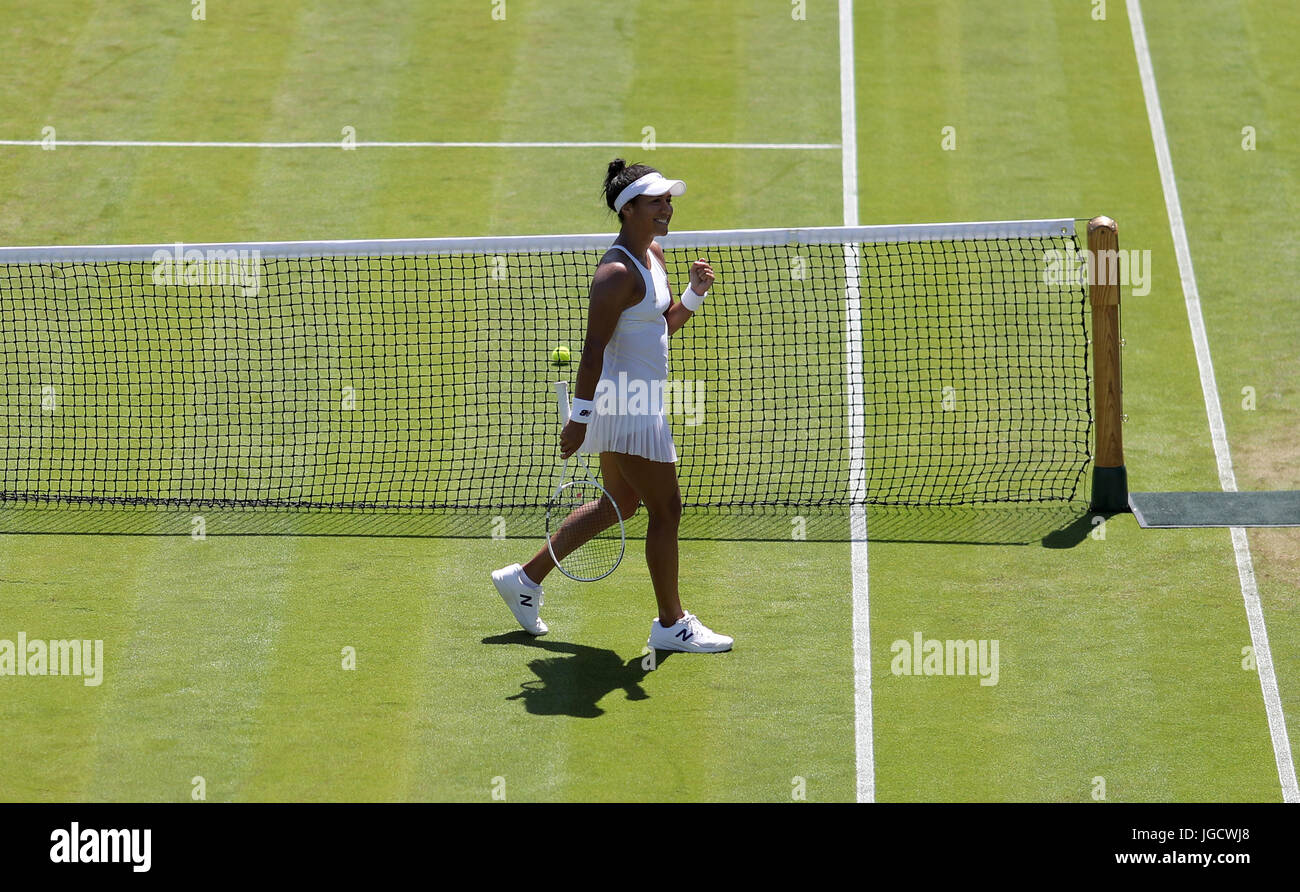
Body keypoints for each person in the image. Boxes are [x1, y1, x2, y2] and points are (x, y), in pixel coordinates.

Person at [491, 159, 733, 654]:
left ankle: (524, 578)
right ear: (628, 211)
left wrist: (694, 293)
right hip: (625, 405)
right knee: (666, 510)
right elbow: (593, 350)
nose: (668, 208)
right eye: (657, 202)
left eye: (669, 200)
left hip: (640, 399)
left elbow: (660, 326)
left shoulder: (655, 256)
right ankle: (672, 623)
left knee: (619, 503)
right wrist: (579, 421)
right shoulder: (615, 273)